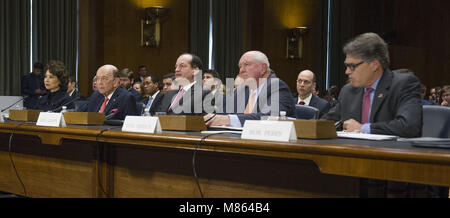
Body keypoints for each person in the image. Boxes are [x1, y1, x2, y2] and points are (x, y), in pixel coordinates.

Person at [322, 32, 422, 138]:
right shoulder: (348, 91)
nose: (347, 72)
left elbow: (409, 127)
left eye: (352, 66)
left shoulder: (403, 84)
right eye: (346, 66)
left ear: (374, 65)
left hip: (388, 152)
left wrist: (363, 128)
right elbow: (325, 124)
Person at [204, 51, 295, 127]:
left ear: (263, 68)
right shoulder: (241, 90)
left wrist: (228, 120)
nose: (241, 70)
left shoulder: (277, 87)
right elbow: (224, 114)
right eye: (240, 66)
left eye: (246, 65)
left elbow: (270, 117)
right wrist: (213, 118)